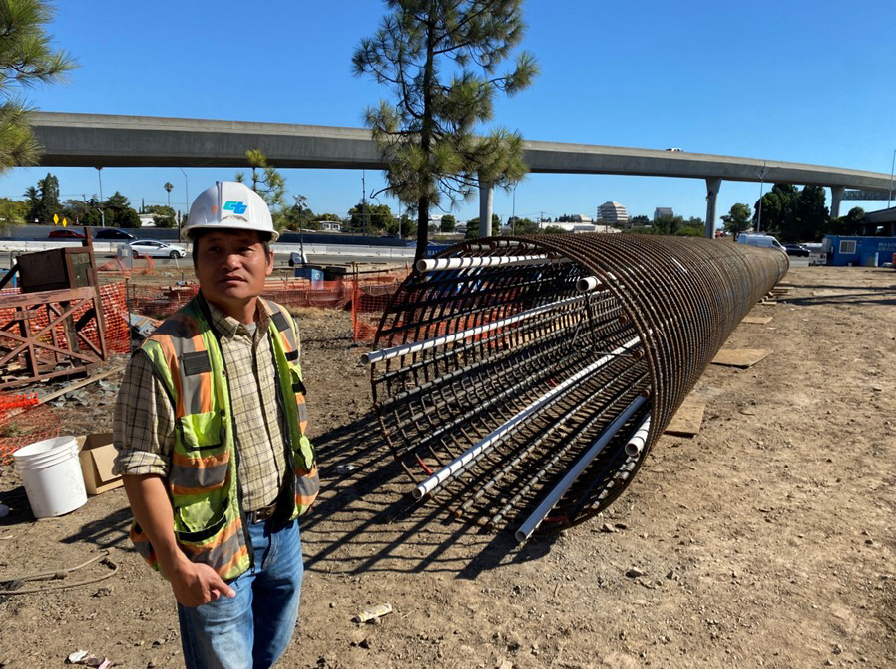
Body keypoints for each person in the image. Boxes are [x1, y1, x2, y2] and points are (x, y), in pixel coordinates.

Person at [113, 182, 319, 669]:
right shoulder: (163, 353)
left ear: (268, 260)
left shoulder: (282, 325)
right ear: (196, 261)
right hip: (212, 547)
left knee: (268, 651)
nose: (230, 261)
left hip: (282, 526)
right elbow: (140, 466)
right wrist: (174, 562)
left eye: (244, 248)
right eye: (214, 250)